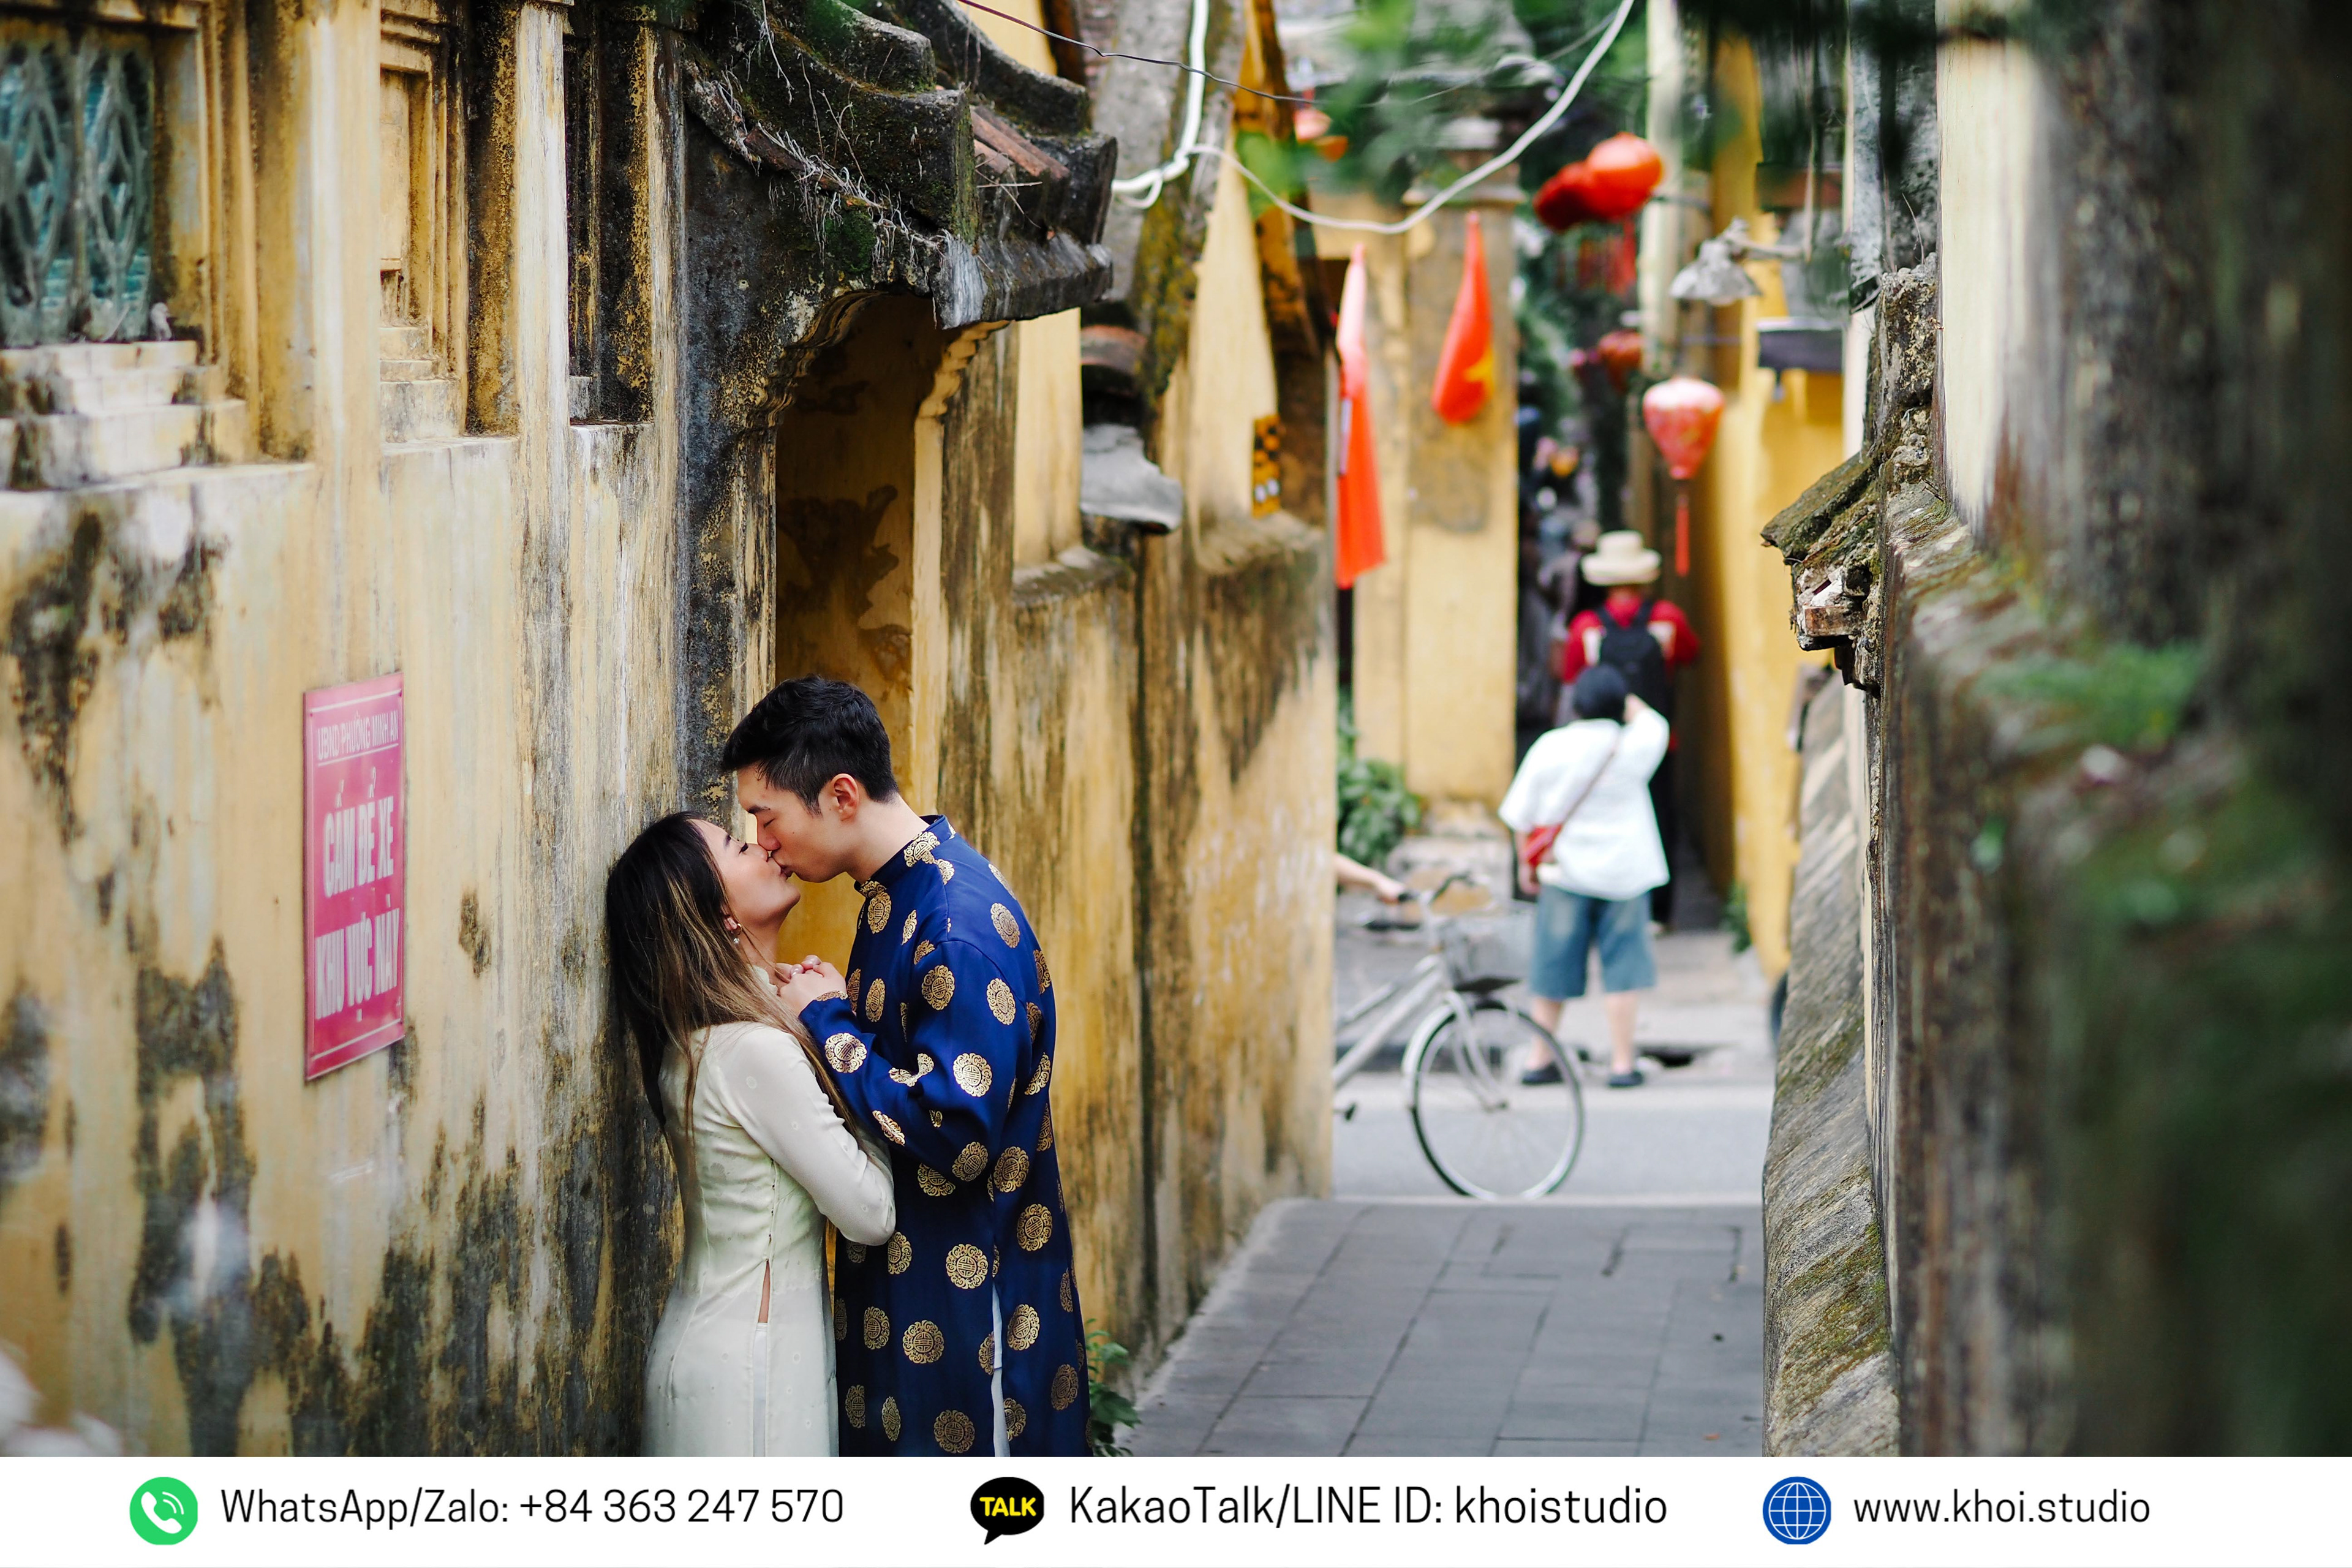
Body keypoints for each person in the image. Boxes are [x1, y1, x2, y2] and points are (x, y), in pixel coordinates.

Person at [727, 677, 1087, 1457]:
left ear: (842, 794)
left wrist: (829, 1024)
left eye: (767, 816)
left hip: (975, 1322)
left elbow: (957, 1133)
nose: (763, 842)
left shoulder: (952, 924)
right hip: (904, 1295)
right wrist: (840, 1018)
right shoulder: (902, 894)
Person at [605, 812, 897, 1456]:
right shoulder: (752, 1052)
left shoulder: (708, 1039)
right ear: (720, 916)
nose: (764, 845)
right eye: (740, 847)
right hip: (751, 1377)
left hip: (740, 1355)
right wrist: (842, 1032)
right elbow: (872, 1213)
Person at [1498, 665, 1671, 1089]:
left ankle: (1539, 1059)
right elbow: (1653, 720)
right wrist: (1626, 702)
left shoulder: (1551, 746)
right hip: (1625, 875)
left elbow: (1521, 813)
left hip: (1566, 875)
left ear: (1576, 703)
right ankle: (1623, 1064)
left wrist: (1526, 864)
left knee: (1553, 968)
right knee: (1623, 971)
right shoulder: (1635, 744)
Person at [1559, 530, 1699, 925]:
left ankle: (1606, 906)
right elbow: (1691, 653)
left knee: (1601, 820)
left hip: (1601, 746)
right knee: (1659, 820)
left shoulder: (1586, 625)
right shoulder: (1667, 618)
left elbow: (1572, 676)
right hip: (1656, 742)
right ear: (1643, 577)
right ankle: (1658, 914)